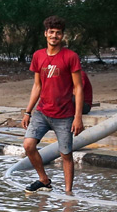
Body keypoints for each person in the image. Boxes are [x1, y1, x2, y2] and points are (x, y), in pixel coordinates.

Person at [21, 15, 85, 195]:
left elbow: (78, 88)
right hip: (42, 112)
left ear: (62, 36)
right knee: (28, 145)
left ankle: (68, 194)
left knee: (66, 154)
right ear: (45, 34)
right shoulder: (38, 56)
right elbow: (37, 86)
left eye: (58, 33)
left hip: (64, 115)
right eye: (51, 32)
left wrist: (78, 117)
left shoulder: (70, 57)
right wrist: (28, 111)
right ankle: (44, 180)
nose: (54, 36)